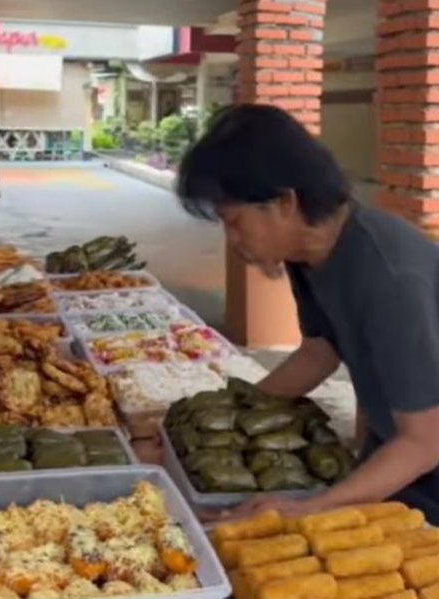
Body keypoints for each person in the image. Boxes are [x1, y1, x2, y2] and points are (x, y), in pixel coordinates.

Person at [178, 103, 439, 522]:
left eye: (234, 221)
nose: (232, 239)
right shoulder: (309, 253)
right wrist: (215, 421)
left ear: (284, 202)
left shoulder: (389, 277)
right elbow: (317, 355)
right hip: (399, 448)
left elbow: (424, 442)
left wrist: (311, 507)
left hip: (422, 456)